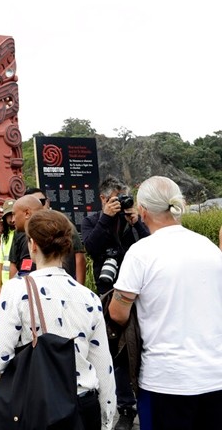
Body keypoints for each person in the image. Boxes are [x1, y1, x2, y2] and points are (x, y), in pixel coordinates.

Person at [109, 176, 222, 430]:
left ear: (143, 210)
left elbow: (117, 313)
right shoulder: (209, 247)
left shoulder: (141, 253)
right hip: (215, 376)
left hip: (167, 379)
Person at [0, 209, 116, 429]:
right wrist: (106, 419)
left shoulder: (17, 290)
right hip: (83, 405)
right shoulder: (89, 298)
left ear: (33, 245)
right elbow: (103, 365)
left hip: (38, 404)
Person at [81, 176, 150, 430]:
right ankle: (124, 408)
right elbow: (90, 247)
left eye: (123, 199)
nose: (120, 204)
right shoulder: (92, 221)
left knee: (142, 348)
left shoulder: (131, 221)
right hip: (108, 293)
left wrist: (137, 223)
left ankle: (144, 402)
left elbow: (151, 247)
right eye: (115, 199)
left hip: (138, 292)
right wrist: (106, 218)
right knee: (116, 354)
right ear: (103, 198)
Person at [25, 187, 87, 284]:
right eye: (34, 202)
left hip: (65, 280)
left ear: (48, 202)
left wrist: (79, 286)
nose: (39, 205)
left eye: (41, 201)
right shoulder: (25, 228)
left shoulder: (63, 223)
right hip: (36, 283)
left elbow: (79, 255)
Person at [8, 195, 44, 277]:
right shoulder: (18, 234)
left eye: (14, 214)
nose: (12, 220)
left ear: (27, 213)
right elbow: (13, 265)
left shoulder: (50, 232)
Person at [0, 199, 15, 295]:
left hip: (17, 284)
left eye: (13, 214)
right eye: (8, 215)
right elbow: (0, 263)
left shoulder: (22, 235)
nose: (11, 219)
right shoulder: (4, 236)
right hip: (5, 286)